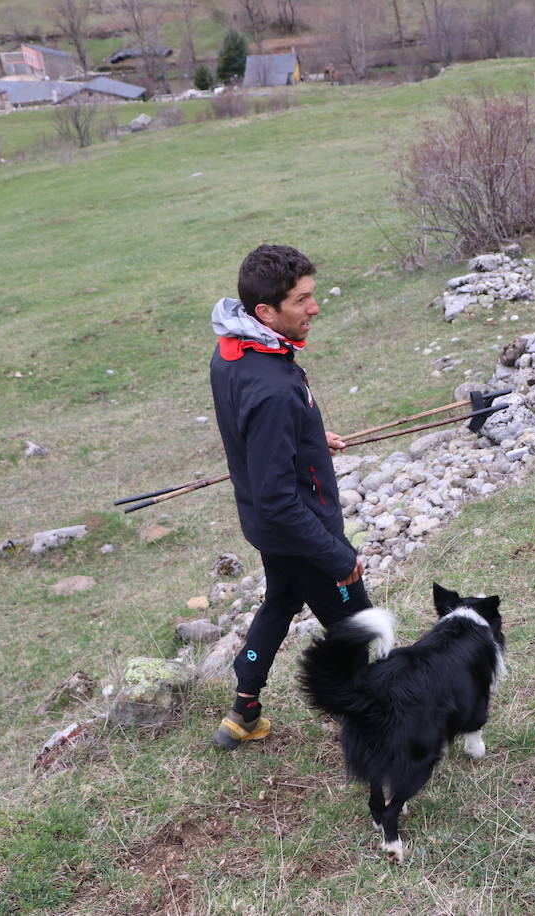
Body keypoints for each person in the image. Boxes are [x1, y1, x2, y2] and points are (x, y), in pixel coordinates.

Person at [207, 243, 370, 750]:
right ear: (266, 312)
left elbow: (257, 433)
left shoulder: (234, 351)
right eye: (302, 300)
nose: (314, 308)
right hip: (302, 529)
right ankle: (371, 725)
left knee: (280, 601)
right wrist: (336, 554)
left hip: (266, 525)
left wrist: (306, 436)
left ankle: (244, 713)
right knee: (363, 631)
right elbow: (280, 496)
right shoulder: (273, 388)